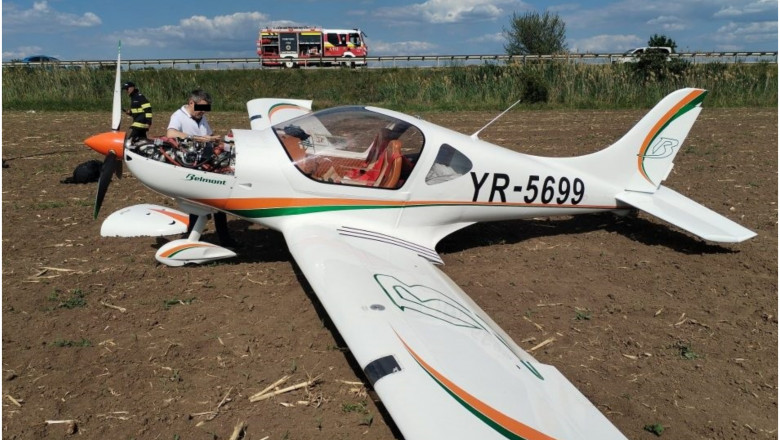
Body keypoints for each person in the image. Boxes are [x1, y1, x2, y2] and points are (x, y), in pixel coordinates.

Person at [168, 89, 236, 247]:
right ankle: (192, 236)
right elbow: (171, 133)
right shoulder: (178, 116)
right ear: (191, 103)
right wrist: (197, 138)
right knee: (198, 201)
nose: (203, 112)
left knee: (218, 201)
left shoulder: (202, 117)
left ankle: (223, 238)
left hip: (206, 163)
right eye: (201, 108)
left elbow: (210, 137)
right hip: (190, 165)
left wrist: (228, 146)